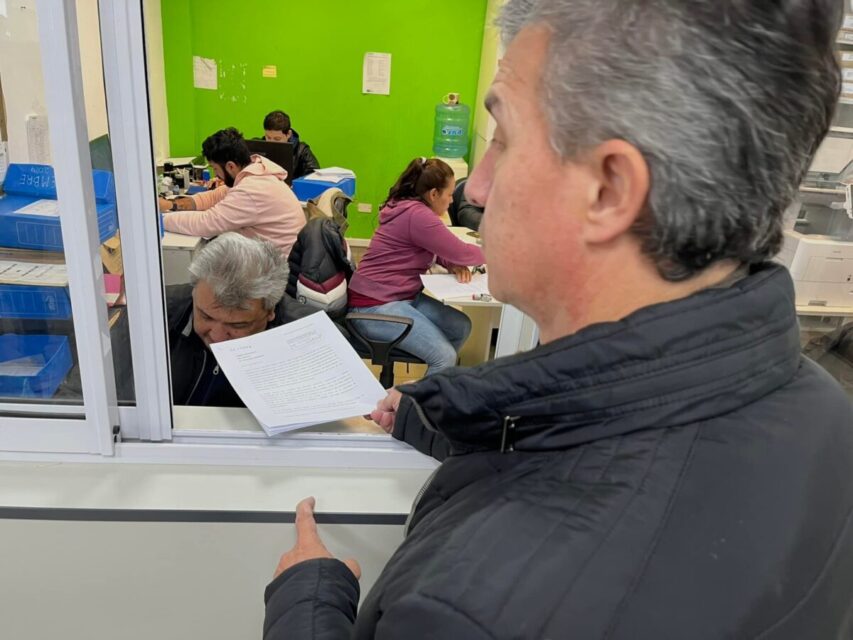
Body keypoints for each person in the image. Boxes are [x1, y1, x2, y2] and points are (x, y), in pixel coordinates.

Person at [264, 0, 853, 638]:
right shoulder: (826, 414)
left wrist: (309, 599)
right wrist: (444, 419)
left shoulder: (474, 608)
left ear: (608, 190)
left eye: (503, 139)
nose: (477, 187)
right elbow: (601, 432)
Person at [346, 158, 485, 374]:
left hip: (399, 296)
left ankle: (434, 383)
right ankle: (424, 392)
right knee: (444, 356)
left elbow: (433, 246)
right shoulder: (418, 216)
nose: (451, 201)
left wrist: (451, 264)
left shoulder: (409, 207)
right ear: (433, 194)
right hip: (374, 306)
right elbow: (462, 252)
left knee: (460, 326)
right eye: (449, 194)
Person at [168, 232, 311, 406]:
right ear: (194, 292)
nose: (217, 337)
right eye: (206, 316)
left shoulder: (310, 339)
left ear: (270, 310)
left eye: (238, 325)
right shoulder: (155, 314)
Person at [158, 127, 305, 258]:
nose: (216, 175)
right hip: (272, 260)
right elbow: (214, 196)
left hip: (276, 272)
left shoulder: (251, 190)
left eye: (215, 169)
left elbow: (206, 223)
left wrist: (159, 220)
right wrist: (171, 205)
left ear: (230, 166)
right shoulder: (255, 172)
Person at [262, 110, 320, 180]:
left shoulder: (302, 151)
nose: (271, 143)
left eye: (277, 139)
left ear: (288, 134)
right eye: (268, 137)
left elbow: (314, 175)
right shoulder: (258, 148)